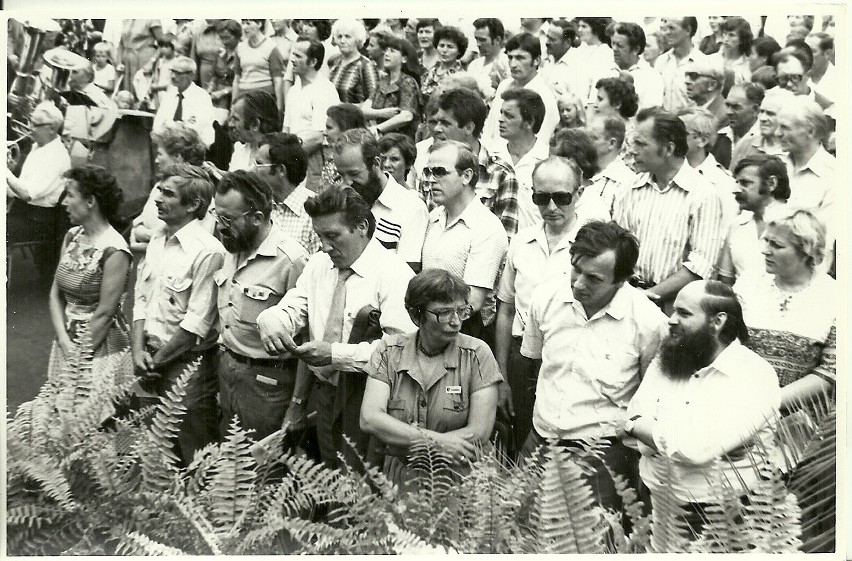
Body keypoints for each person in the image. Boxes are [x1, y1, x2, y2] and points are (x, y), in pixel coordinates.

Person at [256, 186, 417, 469]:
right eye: (319, 236)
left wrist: (335, 354)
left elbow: (399, 351)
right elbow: (294, 306)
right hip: (325, 394)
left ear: (362, 227)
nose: (325, 246)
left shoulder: (394, 274)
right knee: (331, 477)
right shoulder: (319, 264)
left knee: (364, 483)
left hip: (371, 400)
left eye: (332, 236)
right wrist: (271, 320)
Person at [522, 220, 668, 512]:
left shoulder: (649, 323)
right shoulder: (545, 298)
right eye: (575, 269)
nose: (578, 283)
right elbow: (534, 361)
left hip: (603, 457)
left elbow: (651, 399)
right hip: (539, 442)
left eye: (594, 278)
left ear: (621, 279)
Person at [624, 280, 781, 538]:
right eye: (673, 311)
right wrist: (659, 434)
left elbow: (693, 449)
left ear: (717, 322)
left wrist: (635, 426)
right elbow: (636, 413)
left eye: (684, 313)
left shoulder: (755, 376)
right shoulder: (670, 357)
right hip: (650, 498)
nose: (670, 320)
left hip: (715, 516)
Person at [495, 158, 606, 453]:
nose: (552, 208)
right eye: (542, 198)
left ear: (579, 194)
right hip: (522, 358)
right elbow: (506, 309)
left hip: (566, 361)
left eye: (562, 197)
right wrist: (502, 376)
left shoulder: (594, 248)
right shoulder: (521, 242)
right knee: (520, 443)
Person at [360, 269, 502, 484]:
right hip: (404, 479)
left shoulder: (477, 354)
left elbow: (478, 433)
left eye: (461, 311)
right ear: (416, 315)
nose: (456, 321)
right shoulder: (388, 352)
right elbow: (370, 418)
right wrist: (437, 443)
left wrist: (402, 438)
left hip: (463, 477)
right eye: (444, 313)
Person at [132, 163, 225, 465]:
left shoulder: (208, 251)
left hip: (186, 368)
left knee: (192, 451)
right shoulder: (157, 240)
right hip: (147, 358)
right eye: (159, 190)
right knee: (152, 451)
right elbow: (141, 299)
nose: (157, 199)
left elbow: (196, 323)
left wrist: (154, 363)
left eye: (168, 194)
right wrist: (137, 352)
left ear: (194, 204)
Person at [213, 170, 308, 442]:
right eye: (216, 215)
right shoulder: (231, 248)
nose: (220, 225)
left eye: (227, 219)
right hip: (229, 370)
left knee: (263, 468)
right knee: (229, 464)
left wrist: (297, 404)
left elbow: (307, 340)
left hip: (269, 384)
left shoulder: (291, 260)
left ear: (256, 218)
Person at [613, 108, 725, 313]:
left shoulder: (703, 195)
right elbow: (617, 246)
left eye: (641, 143)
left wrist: (650, 294)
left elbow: (701, 266)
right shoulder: (628, 188)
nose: (632, 151)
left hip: (673, 308)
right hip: (626, 299)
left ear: (668, 148)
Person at [48, 166, 132, 416]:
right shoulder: (72, 236)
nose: (64, 203)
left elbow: (106, 313)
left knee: (94, 419)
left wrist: (77, 355)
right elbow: (55, 294)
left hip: (99, 346)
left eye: (69, 195)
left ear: (91, 201)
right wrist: (63, 339)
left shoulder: (115, 250)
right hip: (67, 339)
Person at [733, 208, 835, 412]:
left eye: (777, 245)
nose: (765, 250)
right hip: (738, 405)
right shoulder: (748, 283)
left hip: (800, 422)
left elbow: (830, 372)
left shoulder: (835, 296)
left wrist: (768, 403)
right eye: (766, 241)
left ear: (806, 251)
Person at [420, 141, 508, 346]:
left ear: (467, 176)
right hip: (429, 328)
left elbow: (472, 302)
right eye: (428, 172)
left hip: (466, 335)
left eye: (440, 172)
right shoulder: (433, 218)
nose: (431, 180)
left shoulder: (486, 227)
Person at [331, 128, 429, 270]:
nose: (347, 182)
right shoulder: (342, 199)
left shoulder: (411, 207)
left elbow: (407, 275)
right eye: (341, 174)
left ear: (376, 163)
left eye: (354, 173)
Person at [6, 101, 72, 261]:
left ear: (52, 128)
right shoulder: (39, 147)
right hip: (23, 213)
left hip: (38, 222)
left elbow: (27, 194)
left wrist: (5, 172)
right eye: (30, 121)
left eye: (36, 124)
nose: (29, 127)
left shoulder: (56, 155)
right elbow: (14, 192)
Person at [480, 88, 550, 238]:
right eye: (501, 113)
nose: (500, 119)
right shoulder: (490, 157)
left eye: (509, 116)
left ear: (529, 122)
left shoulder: (548, 160)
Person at [130, 124, 209, 255]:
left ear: (177, 156)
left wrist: (145, 240)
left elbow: (192, 247)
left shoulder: (198, 193)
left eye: (160, 154)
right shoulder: (158, 187)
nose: (156, 160)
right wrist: (148, 234)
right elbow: (138, 225)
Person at [716, 154, 789, 284]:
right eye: (736, 182)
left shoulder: (794, 224)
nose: (735, 190)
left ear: (772, 183)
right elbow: (725, 282)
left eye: (745, 183)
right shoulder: (736, 225)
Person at [481, 33, 560, 152]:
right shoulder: (504, 86)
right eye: (510, 58)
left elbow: (538, 144)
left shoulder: (544, 96)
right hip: (492, 158)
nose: (513, 64)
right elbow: (490, 129)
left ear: (537, 60)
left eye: (520, 58)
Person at [283, 39, 341, 192]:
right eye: (292, 54)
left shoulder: (324, 89)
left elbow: (318, 137)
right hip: (295, 159)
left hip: (316, 159)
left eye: (298, 56)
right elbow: (286, 130)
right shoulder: (293, 90)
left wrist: (289, 157)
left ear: (313, 61)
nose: (292, 59)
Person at [255, 133, 322, 254]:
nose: (253, 170)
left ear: (281, 170)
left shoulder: (315, 211)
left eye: (259, 164)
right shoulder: (258, 206)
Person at [678, 107, 739, 225]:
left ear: (702, 140)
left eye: (680, 133)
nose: (671, 139)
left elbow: (726, 227)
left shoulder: (722, 183)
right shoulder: (663, 172)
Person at [361, 36, 421, 138]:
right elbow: (364, 110)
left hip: (399, 139)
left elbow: (406, 116)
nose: (387, 54)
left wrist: (378, 128)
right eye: (386, 51)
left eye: (392, 51)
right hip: (378, 136)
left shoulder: (407, 82)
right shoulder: (383, 81)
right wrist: (382, 113)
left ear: (404, 58)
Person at [152, 55, 215, 148]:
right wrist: (177, 126)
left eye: (178, 73)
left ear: (191, 75)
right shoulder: (169, 94)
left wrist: (169, 125)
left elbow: (192, 132)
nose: (173, 76)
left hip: (194, 148)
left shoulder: (202, 97)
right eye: (172, 72)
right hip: (170, 145)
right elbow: (157, 126)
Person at [232, 19, 285, 119]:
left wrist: (279, 107)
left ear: (259, 24)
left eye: (248, 23)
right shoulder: (240, 47)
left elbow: (278, 80)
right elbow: (236, 79)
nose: (244, 27)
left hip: (263, 100)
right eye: (243, 23)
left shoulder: (271, 47)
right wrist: (233, 105)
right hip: (244, 98)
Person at [584, 114, 636, 215]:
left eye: (593, 138)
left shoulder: (625, 182)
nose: (586, 142)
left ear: (612, 143)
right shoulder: (581, 170)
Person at [655, 17, 706, 113]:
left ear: (688, 30)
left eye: (671, 28)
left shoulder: (704, 64)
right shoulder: (661, 61)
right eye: (666, 28)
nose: (667, 33)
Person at [610, 21, 664, 110]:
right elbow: (592, 108)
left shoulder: (652, 77)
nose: (614, 49)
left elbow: (649, 115)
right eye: (613, 43)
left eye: (620, 45)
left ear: (635, 49)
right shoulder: (604, 70)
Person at [328, 19, 379, 105]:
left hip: (355, 117)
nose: (342, 41)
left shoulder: (366, 65)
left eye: (348, 37)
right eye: (339, 36)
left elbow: (375, 100)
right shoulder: (334, 61)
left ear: (357, 40)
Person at [321, 103, 366, 193]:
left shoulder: (361, 159)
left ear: (346, 130)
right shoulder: (332, 157)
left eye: (329, 128)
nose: (324, 133)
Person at [573, 17, 617, 103]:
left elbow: (597, 87)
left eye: (584, 26)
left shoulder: (605, 52)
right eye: (579, 26)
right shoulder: (579, 50)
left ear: (596, 29)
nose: (579, 30)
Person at [724, 82, 765, 171]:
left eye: (736, 107)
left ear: (755, 109)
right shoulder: (719, 137)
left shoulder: (764, 141)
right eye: (727, 105)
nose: (729, 112)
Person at [420, 26, 467, 99]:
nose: (444, 50)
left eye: (450, 47)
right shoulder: (431, 71)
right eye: (441, 46)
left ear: (459, 51)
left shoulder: (461, 77)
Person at [539, 19, 581, 99]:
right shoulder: (546, 60)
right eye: (547, 37)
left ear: (567, 43)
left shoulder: (576, 66)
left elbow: (577, 102)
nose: (547, 42)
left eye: (552, 39)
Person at [469, 18, 509, 100]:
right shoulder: (474, 64)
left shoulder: (506, 64)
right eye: (476, 39)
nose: (478, 44)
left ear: (497, 40)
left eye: (482, 40)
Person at [716, 17, 753, 84]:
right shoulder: (710, 59)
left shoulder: (748, 66)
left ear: (742, 39)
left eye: (731, 35)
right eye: (724, 33)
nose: (726, 39)